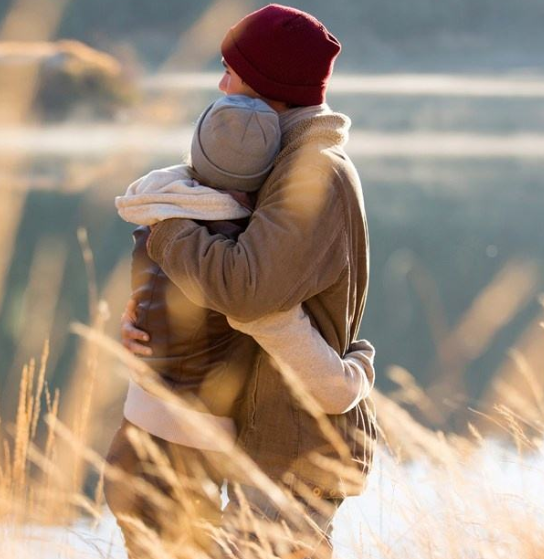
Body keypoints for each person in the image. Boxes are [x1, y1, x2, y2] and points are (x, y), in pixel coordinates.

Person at [119, 4, 378, 558]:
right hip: (272, 429)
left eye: (231, 71)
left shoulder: (314, 172)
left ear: (266, 86)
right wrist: (152, 316)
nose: (221, 84)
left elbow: (247, 292)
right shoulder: (279, 162)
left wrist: (166, 230)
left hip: (300, 444)